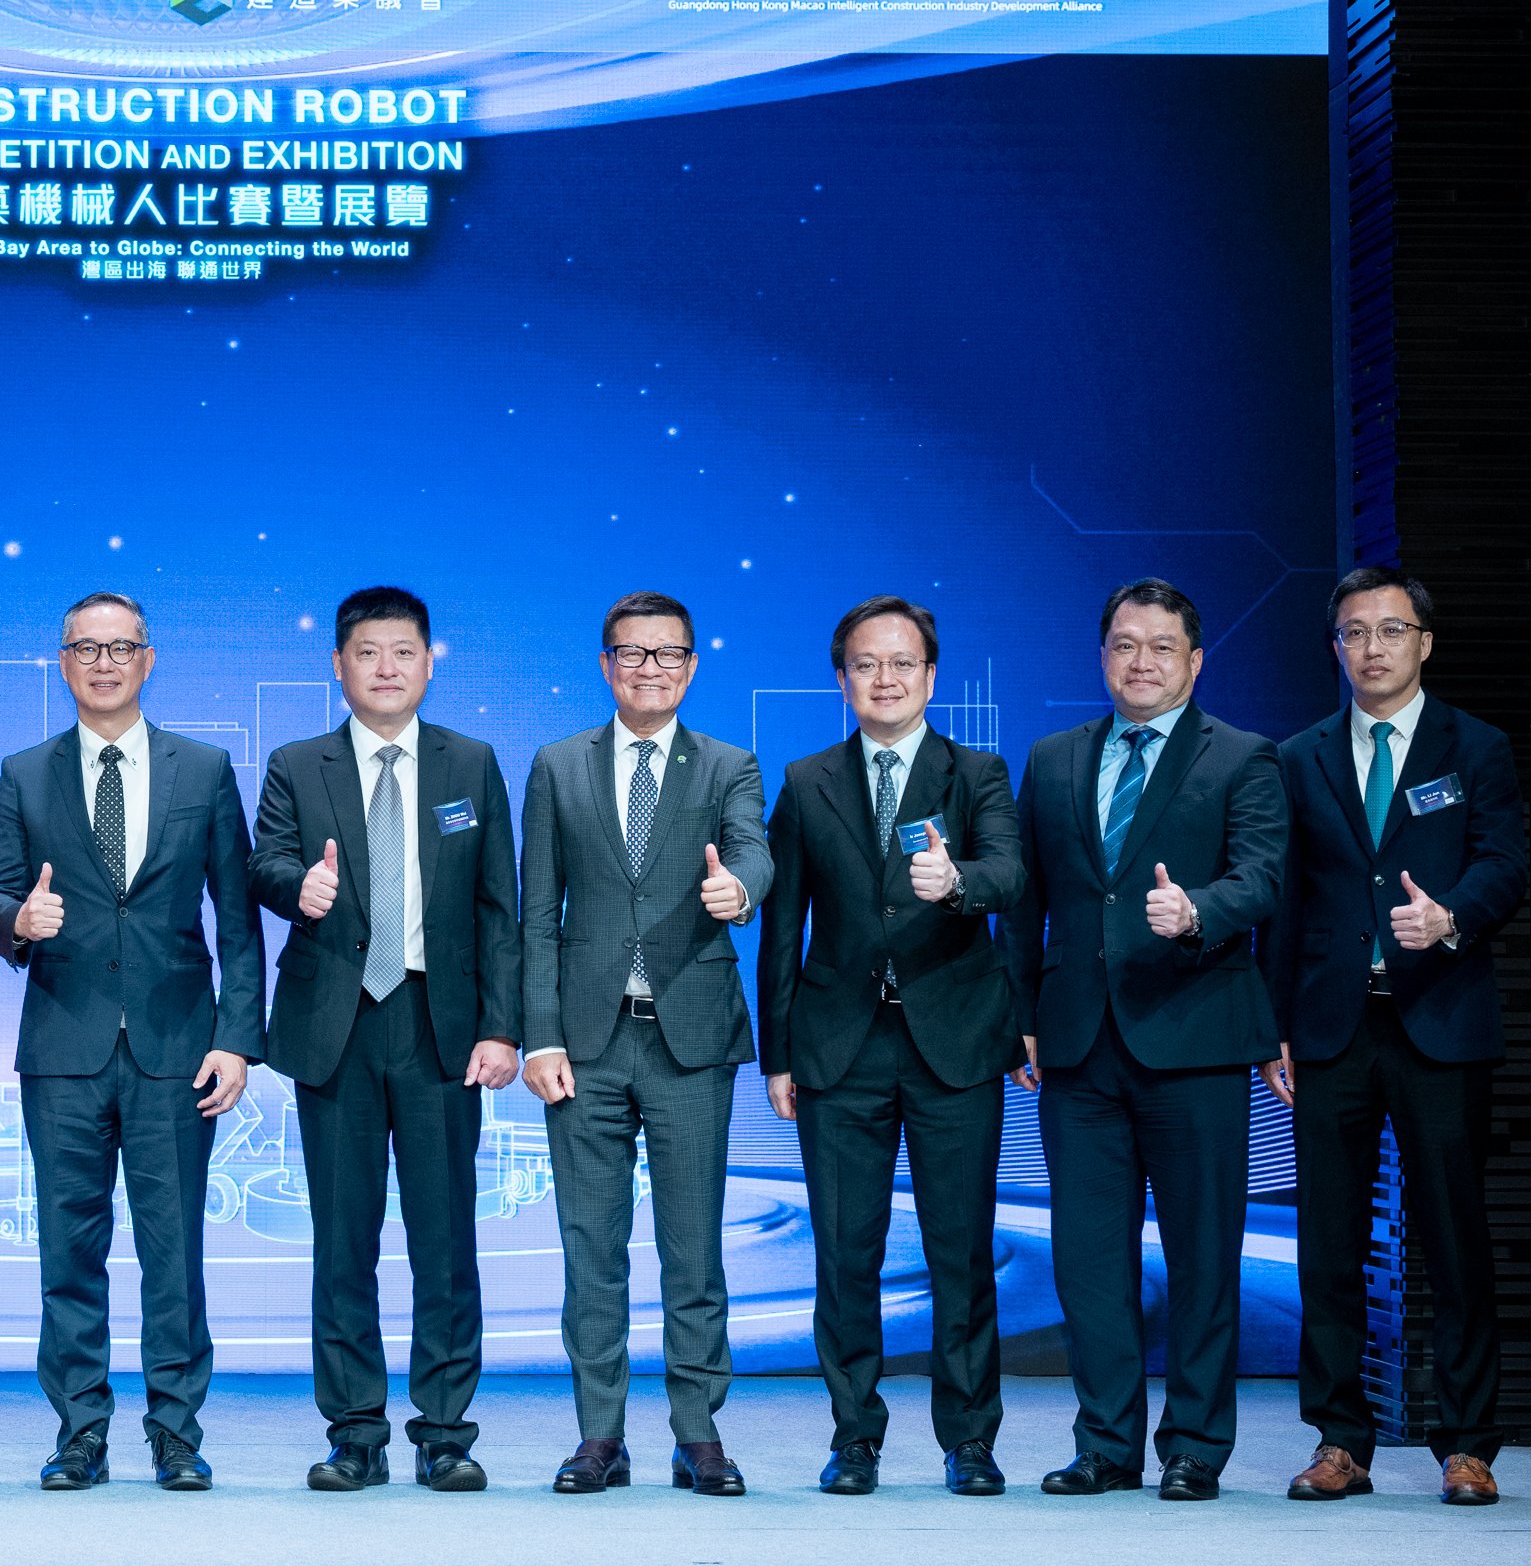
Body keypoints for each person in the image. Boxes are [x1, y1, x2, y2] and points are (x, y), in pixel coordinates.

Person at [0, 592, 265, 1490]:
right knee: (70, 1250)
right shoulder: (25, 773)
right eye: (85, 648)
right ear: (62, 663)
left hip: (178, 1051)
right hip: (64, 1047)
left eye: (121, 647)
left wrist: (238, 1040)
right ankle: (80, 1432)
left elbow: (239, 918)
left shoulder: (204, 769)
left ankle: (176, 1431)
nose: (103, 662)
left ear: (148, 660)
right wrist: (18, 919)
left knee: (175, 1252)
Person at [1005, 578, 1286, 1502]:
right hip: (1080, 1047)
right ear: (1103, 656)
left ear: (1195, 662)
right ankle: (1107, 1445)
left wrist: (1197, 909)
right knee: (1091, 1261)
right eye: (1125, 645)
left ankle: (1196, 1446)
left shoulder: (1243, 757)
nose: (1142, 662)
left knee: (1205, 1256)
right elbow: (1029, 905)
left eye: (1162, 647)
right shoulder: (1052, 758)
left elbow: (1265, 878)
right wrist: (1026, 1019)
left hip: (1195, 1038)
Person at [1265, 567, 1527, 1508]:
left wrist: (1450, 916)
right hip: (1332, 1028)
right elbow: (1285, 904)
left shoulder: (1477, 747)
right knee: (1328, 1243)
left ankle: (1467, 1444)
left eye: (1389, 630)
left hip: (1440, 1020)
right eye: (1352, 634)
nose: (1370, 649)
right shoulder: (1299, 757)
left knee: (1455, 1238)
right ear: (1335, 649)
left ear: (1424, 641)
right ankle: (1341, 1441)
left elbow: (1506, 863)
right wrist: (1276, 1029)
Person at [250, 587, 520, 1493]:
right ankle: (355, 1430)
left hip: (440, 1026)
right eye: (368, 653)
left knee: (446, 1241)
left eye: (404, 652)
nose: (387, 668)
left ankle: (445, 1429)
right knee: (343, 1239)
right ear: (339, 664)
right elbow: (266, 861)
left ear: (429, 662)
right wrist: (300, 891)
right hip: (338, 1026)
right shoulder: (298, 762)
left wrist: (502, 1026)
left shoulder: (471, 764)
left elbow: (499, 908)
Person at [758, 596, 1024, 1497]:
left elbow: (1010, 874)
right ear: (842, 680)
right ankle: (854, 1436)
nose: (885, 679)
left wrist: (958, 882)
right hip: (839, 1048)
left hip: (953, 1044)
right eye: (867, 664)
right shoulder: (805, 780)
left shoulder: (976, 771)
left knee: (961, 1249)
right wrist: (777, 1054)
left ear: (930, 677)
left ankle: (970, 1441)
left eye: (902, 664)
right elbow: (781, 924)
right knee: (845, 1253)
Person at [519, 590, 773, 1498]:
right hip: (583, 1046)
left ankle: (700, 1435)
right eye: (633, 654)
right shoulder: (556, 765)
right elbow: (535, 914)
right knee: (592, 1251)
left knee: (692, 1250)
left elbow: (754, 853)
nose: (651, 668)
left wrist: (735, 891)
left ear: (692, 666)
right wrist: (538, 1035)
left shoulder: (727, 765)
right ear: (605, 665)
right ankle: (599, 1438)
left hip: (689, 1040)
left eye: (668, 655)